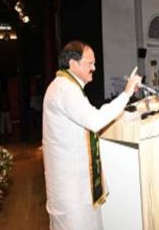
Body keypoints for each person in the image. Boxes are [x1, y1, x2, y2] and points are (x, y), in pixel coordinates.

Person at [42, 41, 142, 230]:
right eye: (90, 63)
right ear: (73, 63)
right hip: (71, 191)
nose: (94, 68)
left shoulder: (68, 87)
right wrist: (127, 93)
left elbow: (88, 117)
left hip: (77, 186)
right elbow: (95, 120)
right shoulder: (65, 89)